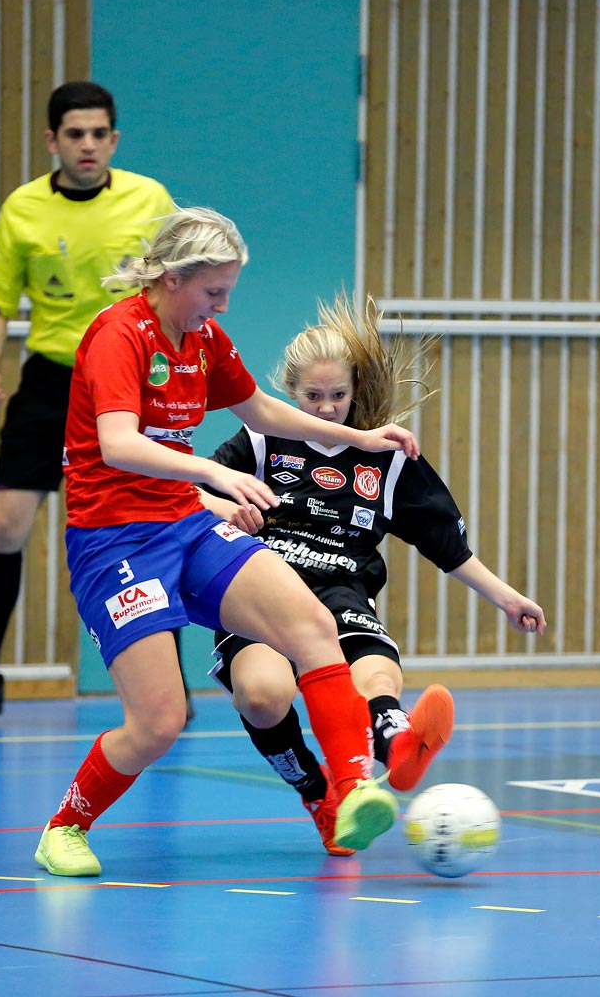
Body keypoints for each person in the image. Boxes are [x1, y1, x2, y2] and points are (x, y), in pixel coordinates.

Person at [34, 207, 419, 877]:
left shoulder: (204, 336)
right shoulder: (118, 335)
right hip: (114, 541)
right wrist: (214, 470)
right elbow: (118, 443)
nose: (222, 305)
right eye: (213, 291)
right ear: (173, 277)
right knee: (158, 721)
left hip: (185, 526)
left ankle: (351, 787)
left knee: (311, 624)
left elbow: (261, 409)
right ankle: (66, 826)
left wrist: (358, 439)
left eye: (229, 292)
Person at [200, 293, 547, 856]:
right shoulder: (259, 442)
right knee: (263, 695)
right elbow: (186, 493)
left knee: (374, 670)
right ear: (291, 391)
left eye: (338, 395)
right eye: (313, 396)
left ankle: (396, 739)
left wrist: (506, 598)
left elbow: (446, 544)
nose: (326, 407)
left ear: (355, 391)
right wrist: (225, 509)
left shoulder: (384, 457)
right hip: (259, 589)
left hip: (340, 590)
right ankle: (319, 794)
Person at [0, 81, 185, 724]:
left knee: (153, 523)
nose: (88, 145)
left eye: (100, 134)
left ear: (114, 139)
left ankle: (171, 684)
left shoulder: (149, 200)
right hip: (51, 381)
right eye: (75, 134)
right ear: (53, 141)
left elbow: (181, 281)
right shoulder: (23, 209)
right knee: (3, 525)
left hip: (130, 377)